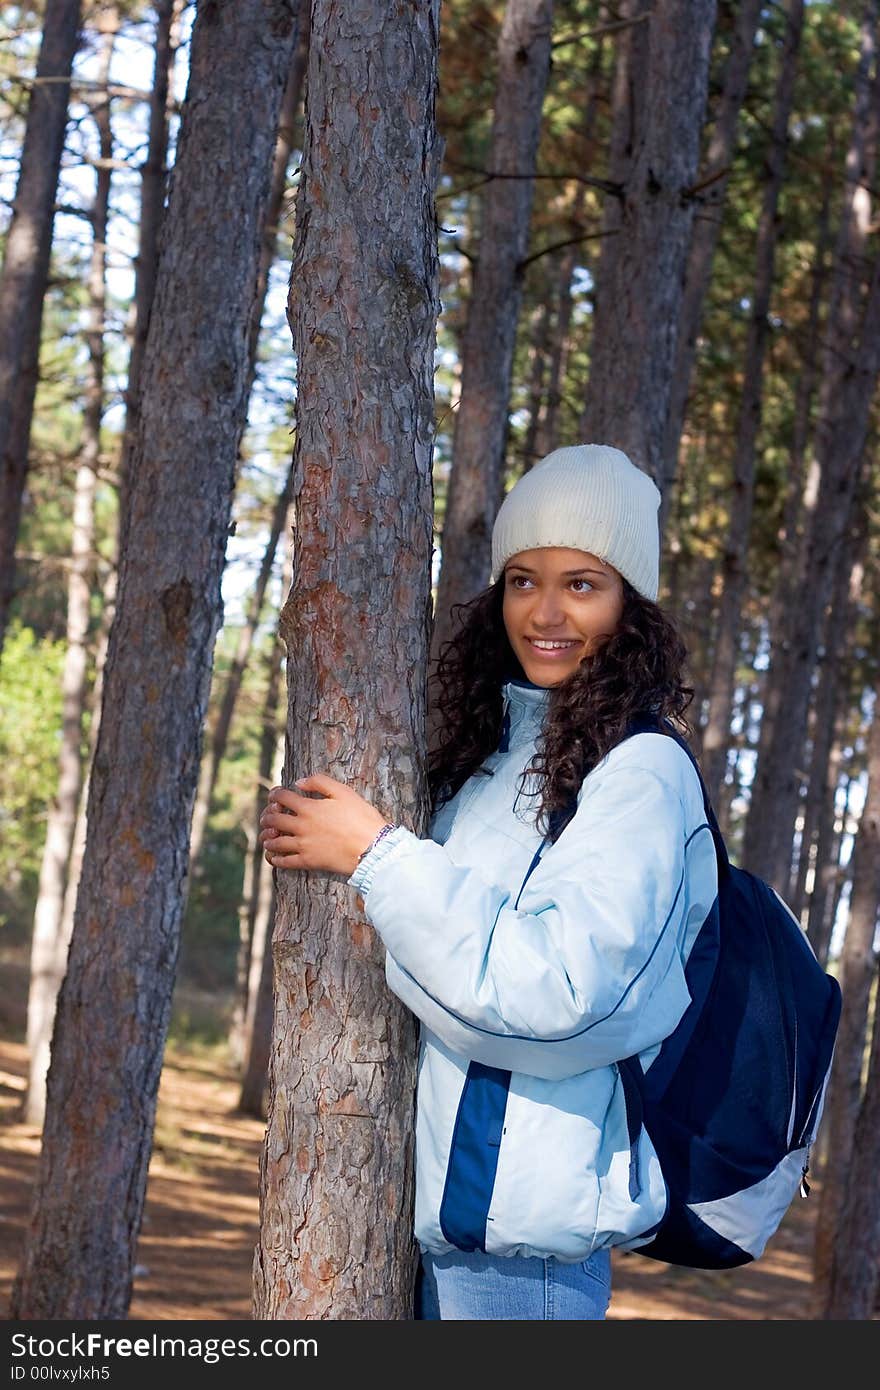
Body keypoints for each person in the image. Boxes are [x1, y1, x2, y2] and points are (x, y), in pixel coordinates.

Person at [258, 443, 718, 1320]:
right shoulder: (499, 756)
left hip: (523, 1262)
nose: (544, 612)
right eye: (522, 580)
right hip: (445, 1232)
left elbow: (560, 992)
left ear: (632, 603)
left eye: (582, 583)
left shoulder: (642, 773)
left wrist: (377, 857)